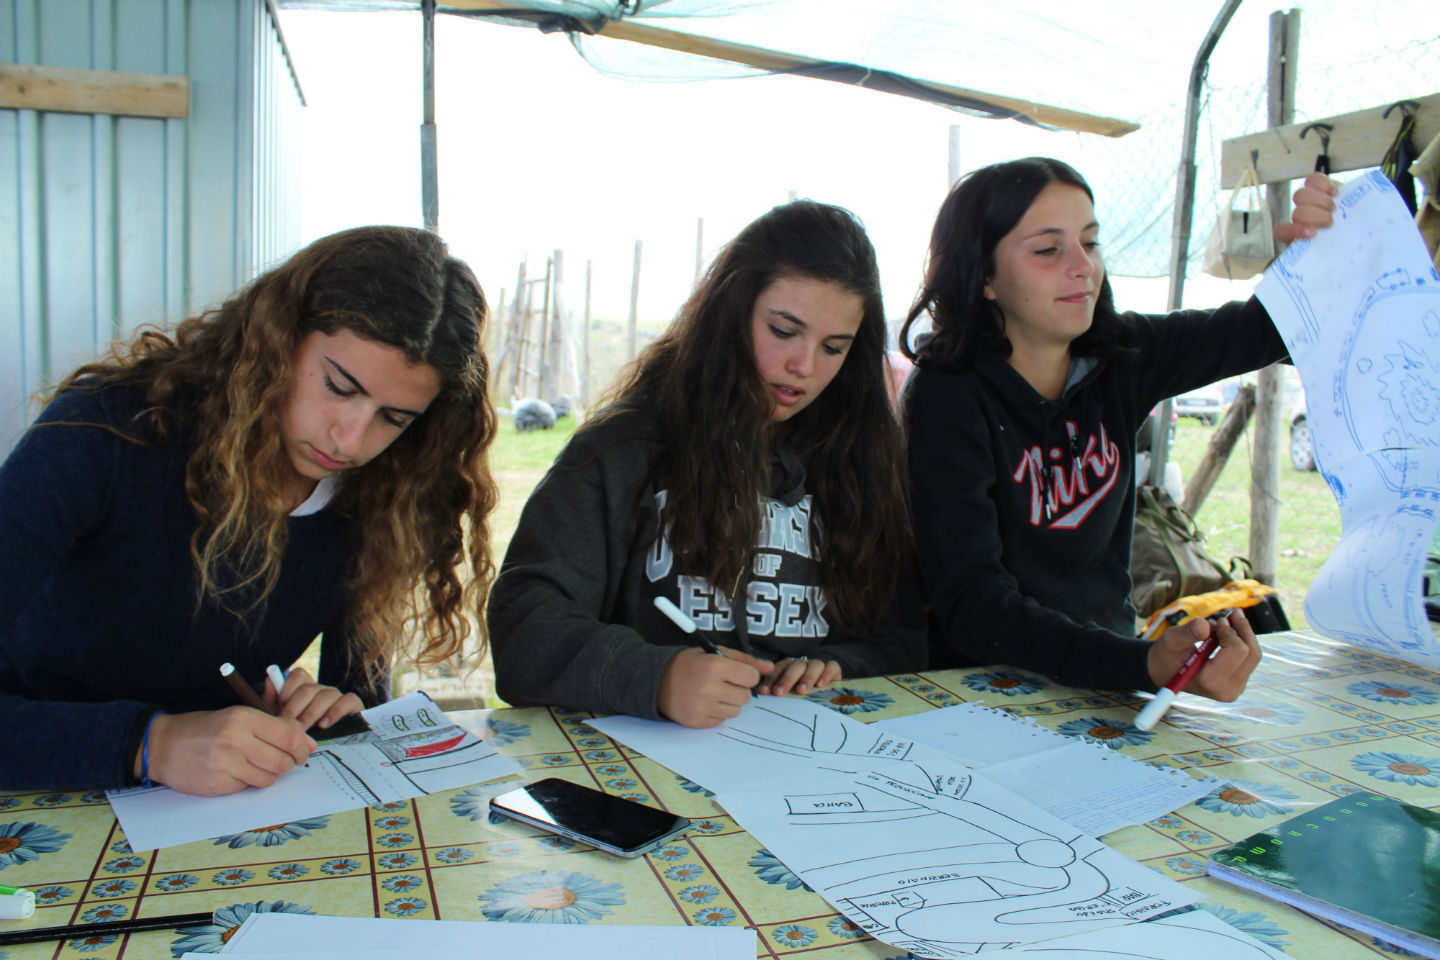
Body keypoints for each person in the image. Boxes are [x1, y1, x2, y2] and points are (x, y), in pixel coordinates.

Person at [0, 226, 498, 795]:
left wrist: (331, 713)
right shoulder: (102, 436)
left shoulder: (383, 491)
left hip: (221, 815)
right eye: (339, 387)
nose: (351, 441)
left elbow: (358, 706)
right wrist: (148, 744)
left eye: (395, 418)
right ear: (278, 340)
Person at [901, 158, 1336, 702]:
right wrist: (1141, 663)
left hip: (1106, 683)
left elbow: (1267, 332)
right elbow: (973, 602)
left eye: (1091, 241)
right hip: (976, 692)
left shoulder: (1123, 357)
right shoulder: (947, 396)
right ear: (984, 274)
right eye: (1048, 249)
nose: (1082, 265)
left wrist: (1322, 254)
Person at [490, 200, 925, 727]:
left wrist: (839, 666)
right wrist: (657, 676)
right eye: (783, 331)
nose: (804, 366)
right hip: (643, 760)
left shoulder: (863, 459)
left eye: (834, 347)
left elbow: (905, 637)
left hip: (805, 755)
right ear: (730, 314)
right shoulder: (625, 448)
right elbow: (524, 626)